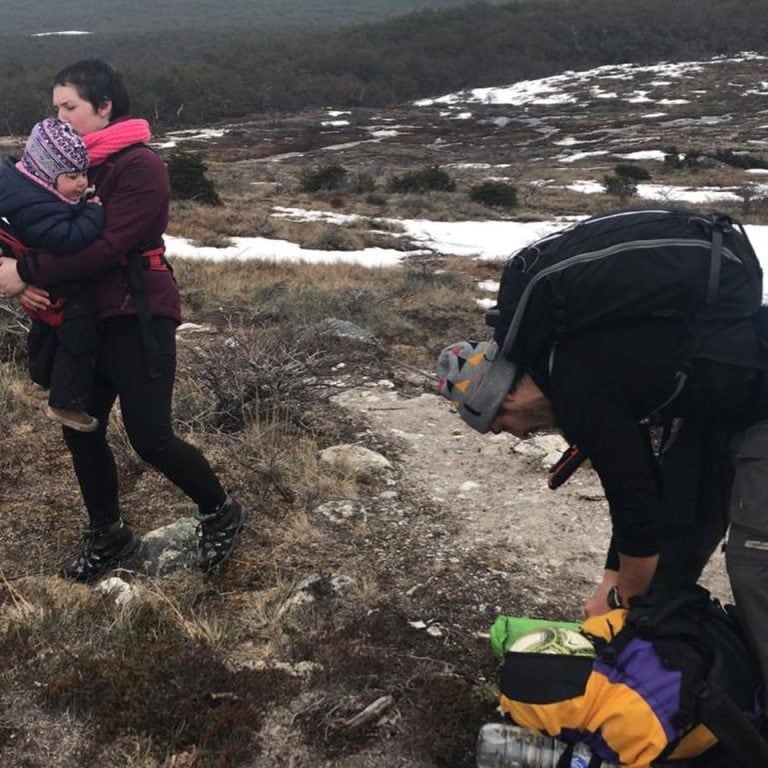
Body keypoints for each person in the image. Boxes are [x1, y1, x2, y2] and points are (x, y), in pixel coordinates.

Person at [0, 59, 246, 581]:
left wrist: (24, 272)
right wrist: (33, 290)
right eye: (56, 108)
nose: (61, 118)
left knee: (150, 436)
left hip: (137, 313)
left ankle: (221, 512)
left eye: (70, 107)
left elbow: (107, 246)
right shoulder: (60, 168)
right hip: (82, 320)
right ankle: (109, 537)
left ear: (105, 105)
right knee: (81, 430)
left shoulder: (140, 167)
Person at [436, 316, 768, 686]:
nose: (518, 434)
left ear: (508, 396)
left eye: (502, 424)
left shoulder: (576, 386)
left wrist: (620, 597)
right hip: (722, 412)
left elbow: (634, 501)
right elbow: (647, 487)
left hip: (756, 402)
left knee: (755, 564)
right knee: (677, 548)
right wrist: (613, 588)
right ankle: (683, 687)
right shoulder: (579, 364)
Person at [0, 117, 105, 432]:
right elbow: (68, 239)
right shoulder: (36, 204)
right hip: (60, 284)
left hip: (38, 279)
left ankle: (44, 381)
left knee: (46, 328)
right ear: (45, 175)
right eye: (71, 176)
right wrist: (93, 211)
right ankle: (65, 401)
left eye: (84, 174)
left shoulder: (27, 190)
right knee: (79, 335)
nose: (81, 183)